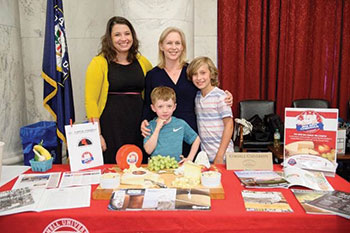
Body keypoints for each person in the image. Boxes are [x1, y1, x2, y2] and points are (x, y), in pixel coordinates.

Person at [141, 27, 232, 157]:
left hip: (191, 132)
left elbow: (207, 89)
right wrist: (144, 121)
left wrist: (225, 95)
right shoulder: (152, 75)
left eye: (177, 43)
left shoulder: (191, 71)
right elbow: (147, 104)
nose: (174, 47)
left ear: (183, 47)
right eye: (169, 43)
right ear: (161, 46)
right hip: (164, 134)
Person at [85, 16, 153, 164]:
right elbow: (91, 102)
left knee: (139, 167)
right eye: (117, 34)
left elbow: (152, 93)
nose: (123, 38)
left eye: (127, 33)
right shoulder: (98, 63)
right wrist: (97, 134)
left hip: (138, 127)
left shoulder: (143, 62)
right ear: (109, 38)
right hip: (111, 127)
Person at [187, 56, 234, 164]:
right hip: (206, 157)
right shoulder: (197, 96)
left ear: (211, 74)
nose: (199, 78)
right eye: (195, 74)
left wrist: (220, 155)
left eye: (203, 73)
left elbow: (229, 125)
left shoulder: (221, 97)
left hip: (223, 156)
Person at [143, 86, 200, 162]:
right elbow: (148, 150)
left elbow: (196, 139)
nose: (165, 110)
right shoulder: (149, 125)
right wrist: (157, 129)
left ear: (174, 107)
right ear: (153, 108)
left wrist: (190, 158)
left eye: (169, 106)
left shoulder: (180, 124)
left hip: (176, 168)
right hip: (155, 169)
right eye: (160, 106)